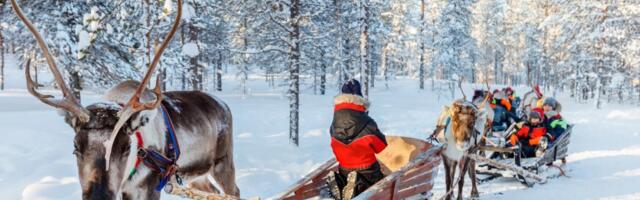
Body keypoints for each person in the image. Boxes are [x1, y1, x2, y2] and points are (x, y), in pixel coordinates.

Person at [328, 79, 387, 198]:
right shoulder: (367, 123)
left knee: (348, 170)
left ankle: (342, 183)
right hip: (368, 170)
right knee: (380, 182)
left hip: (344, 168)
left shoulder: (334, 124)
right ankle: (357, 185)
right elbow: (381, 146)